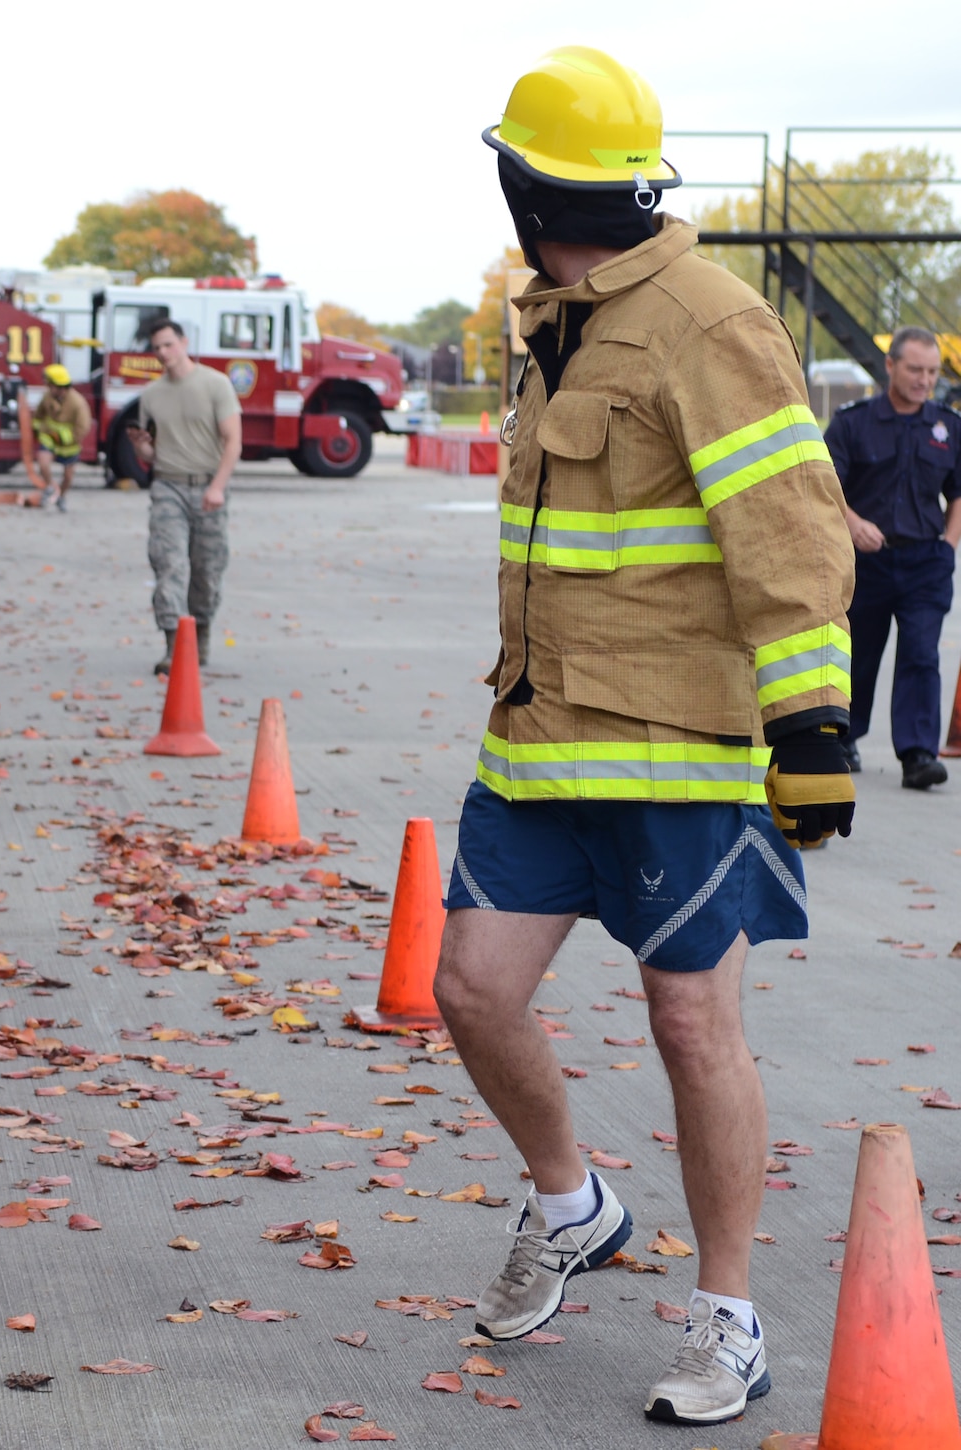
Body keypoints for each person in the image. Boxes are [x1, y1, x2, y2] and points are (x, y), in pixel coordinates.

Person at [432, 47, 856, 1430]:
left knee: (692, 1023)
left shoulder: (707, 320)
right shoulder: (554, 315)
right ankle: (576, 1204)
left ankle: (728, 1319)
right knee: (473, 990)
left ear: (520, 179)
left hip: (678, 749)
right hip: (541, 733)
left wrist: (812, 723)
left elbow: (786, 529)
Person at [825, 326, 961, 788]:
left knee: (922, 654)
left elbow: (958, 492)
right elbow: (823, 484)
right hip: (867, 561)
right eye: (915, 369)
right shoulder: (852, 422)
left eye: (932, 371)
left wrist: (948, 544)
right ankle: (844, 738)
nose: (925, 380)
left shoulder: (948, 426)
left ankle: (918, 754)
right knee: (858, 654)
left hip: (926, 561)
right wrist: (853, 522)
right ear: (890, 366)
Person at [125, 319, 241, 673]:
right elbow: (152, 454)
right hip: (168, 487)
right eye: (156, 348)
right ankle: (174, 645)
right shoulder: (151, 395)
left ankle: (200, 636)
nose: (162, 354)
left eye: (168, 345)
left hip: (207, 485)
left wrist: (218, 486)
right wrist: (142, 448)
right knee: (169, 563)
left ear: (184, 342)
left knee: (207, 570)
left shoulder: (215, 385)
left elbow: (233, 440)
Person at [31, 363, 91, 512]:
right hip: (49, 438)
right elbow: (38, 416)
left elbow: (82, 428)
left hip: (69, 445)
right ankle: (50, 487)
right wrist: (37, 431)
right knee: (43, 461)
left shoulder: (78, 403)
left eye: (50, 385)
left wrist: (61, 438)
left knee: (68, 476)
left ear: (60, 387)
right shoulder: (47, 397)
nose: (48, 388)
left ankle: (61, 497)